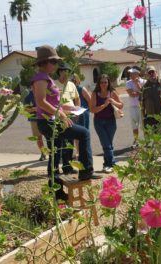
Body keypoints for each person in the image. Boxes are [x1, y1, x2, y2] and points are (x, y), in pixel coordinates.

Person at [32, 45, 101, 201]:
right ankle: (86, 171)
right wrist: (62, 115)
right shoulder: (41, 78)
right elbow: (41, 102)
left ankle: (56, 191)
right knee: (84, 133)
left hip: (50, 120)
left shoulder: (45, 77)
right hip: (49, 122)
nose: (56, 66)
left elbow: (51, 103)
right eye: (55, 62)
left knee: (55, 153)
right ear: (46, 62)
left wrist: (70, 107)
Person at [90, 74, 123, 173]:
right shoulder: (95, 94)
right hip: (99, 122)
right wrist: (104, 105)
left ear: (108, 83)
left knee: (108, 144)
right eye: (101, 82)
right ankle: (112, 164)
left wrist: (113, 102)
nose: (103, 84)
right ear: (98, 83)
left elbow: (121, 105)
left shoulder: (112, 92)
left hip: (111, 122)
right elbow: (92, 109)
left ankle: (106, 164)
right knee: (106, 144)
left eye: (105, 82)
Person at [55, 63, 80, 174]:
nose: (68, 73)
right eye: (66, 71)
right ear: (60, 71)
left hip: (71, 116)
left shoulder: (71, 84)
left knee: (70, 143)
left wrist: (77, 111)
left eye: (69, 71)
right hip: (59, 117)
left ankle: (68, 167)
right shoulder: (54, 85)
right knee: (60, 144)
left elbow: (77, 98)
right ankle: (55, 169)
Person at [71, 74, 91, 159]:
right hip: (73, 114)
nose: (73, 82)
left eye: (74, 80)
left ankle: (84, 152)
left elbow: (90, 101)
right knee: (75, 134)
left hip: (83, 114)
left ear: (77, 80)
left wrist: (87, 111)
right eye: (71, 81)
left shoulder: (82, 89)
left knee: (84, 133)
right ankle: (78, 152)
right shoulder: (69, 91)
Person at [126, 68, 146, 148]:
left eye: (132, 73)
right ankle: (136, 140)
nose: (130, 75)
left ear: (137, 74)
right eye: (130, 74)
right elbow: (132, 94)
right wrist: (140, 92)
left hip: (142, 107)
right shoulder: (128, 83)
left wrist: (138, 85)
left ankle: (146, 140)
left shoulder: (144, 82)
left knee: (144, 125)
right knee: (134, 125)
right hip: (133, 106)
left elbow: (145, 93)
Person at [24, 90, 46, 161]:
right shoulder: (28, 95)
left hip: (46, 118)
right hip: (34, 119)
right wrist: (33, 109)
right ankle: (43, 153)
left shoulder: (44, 92)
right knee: (38, 138)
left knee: (50, 137)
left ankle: (54, 154)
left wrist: (40, 108)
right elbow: (25, 109)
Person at [141, 66, 161, 131]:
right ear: (147, 75)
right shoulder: (144, 87)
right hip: (151, 116)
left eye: (153, 72)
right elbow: (142, 104)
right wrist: (143, 118)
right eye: (149, 73)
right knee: (155, 136)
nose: (151, 74)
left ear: (156, 72)